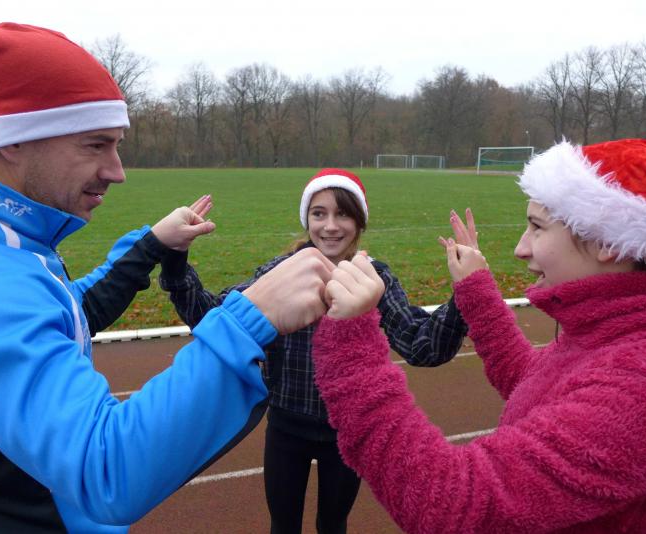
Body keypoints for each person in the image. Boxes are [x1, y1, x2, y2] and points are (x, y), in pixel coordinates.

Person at [0, 23, 336, 532]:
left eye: (116, 145)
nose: (117, 170)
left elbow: (65, 313)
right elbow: (106, 469)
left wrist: (151, 245)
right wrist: (249, 322)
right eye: (96, 145)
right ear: (13, 139)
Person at [310, 139, 646, 533]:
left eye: (537, 227)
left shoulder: (644, 384)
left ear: (606, 243)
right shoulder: (615, 334)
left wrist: (351, 344)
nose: (521, 249)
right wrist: (476, 289)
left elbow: (450, 503)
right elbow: (533, 381)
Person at [158, 168, 469, 533]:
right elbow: (214, 318)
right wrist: (176, 261)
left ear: (360, 222)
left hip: (348, 433)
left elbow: (422, 346)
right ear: (307, 219)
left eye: (343, 214)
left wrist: (466, 291)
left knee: (333, 524)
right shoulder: (281, 273)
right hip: (286, 428)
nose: (330, 226)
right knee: (283, 525)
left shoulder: (373, 278)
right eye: (319, 213)